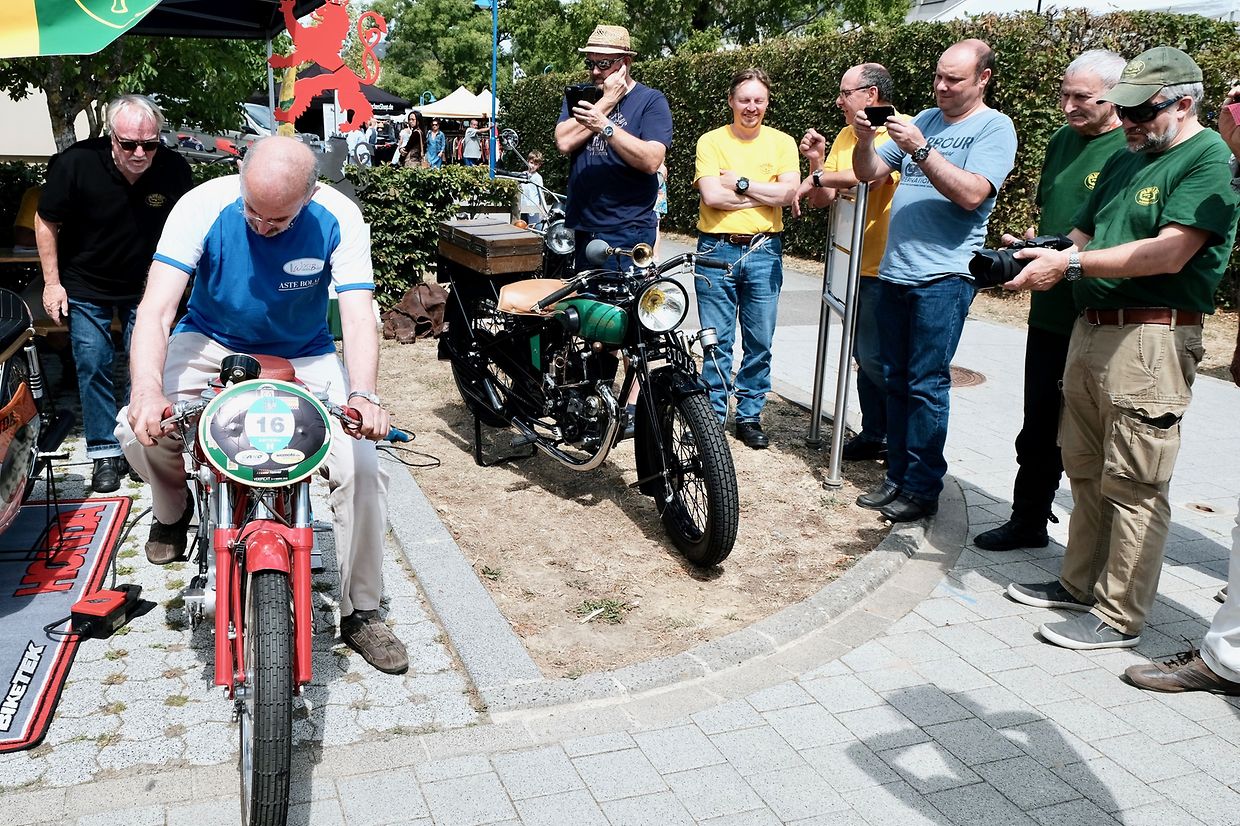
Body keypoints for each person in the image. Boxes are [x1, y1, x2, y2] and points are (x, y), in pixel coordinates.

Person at [116, 136, 408, 674]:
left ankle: (362, 609)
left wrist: (363, 394)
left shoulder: (339, 216)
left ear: (311, 195)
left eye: (279, 219)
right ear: (241, 180)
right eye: (252, 210)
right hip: (210, 340)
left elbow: (358, 314)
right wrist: (147, 391)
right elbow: (156, 310)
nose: (262, 226)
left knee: (363, 467)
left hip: (305, 351)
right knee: (139, 430)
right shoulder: (202, 205)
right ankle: (173, 509)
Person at [1005, 47, 1240, 651]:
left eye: (1141, 110)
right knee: (1085, 468)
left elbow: (1170, 252)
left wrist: (1070, 264)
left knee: (1135, 484)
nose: (1128, 121)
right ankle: (1079, 583)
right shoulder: (1128, 156)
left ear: (1183, 103)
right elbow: (1081, 235)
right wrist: (1037, 254)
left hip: (1152, 337)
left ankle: (1118, 616)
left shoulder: (1207, 158)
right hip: (1091, 328)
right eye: (1124, 108)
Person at [851, 39, 1017, 523]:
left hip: (944, 277)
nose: (942, 87)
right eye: (938, 77)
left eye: (954, 80)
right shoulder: (924, 118)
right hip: (896, 272)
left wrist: (920, 150)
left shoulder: (994, 127)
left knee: (926, 385)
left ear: (983, 79)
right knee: (896, 380)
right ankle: (898, 477)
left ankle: (922, 489)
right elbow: (868, 173)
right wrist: (864, 140)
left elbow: (972, 194)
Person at [973, 50, 1128, 552]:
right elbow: (1063, 219)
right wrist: (1033, 246)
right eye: (1064, 94)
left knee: (1089, 436)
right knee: (1038, 424)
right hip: (1050, 313)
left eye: (1081, 97)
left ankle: (1093, 550)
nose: (1067, 106)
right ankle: (1029, 520)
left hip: (1098, 314)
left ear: (1116, 96)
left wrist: (1066, 258)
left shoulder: (1131, 146)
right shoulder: (1063, 139)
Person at [35, 94, 192, 493]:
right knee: (93, 362)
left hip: (149, 286)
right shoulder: (76, 163)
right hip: (85, 282)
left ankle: (137, 444)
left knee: (146, 366)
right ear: (111, 138)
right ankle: (104, 451)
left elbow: (191, 227)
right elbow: (45, 219)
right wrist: (52, 283)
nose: (140, 153)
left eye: (149, 144)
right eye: (129, 144)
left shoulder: (174, 169)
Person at [792, 63, 901, 462]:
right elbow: (824, 199)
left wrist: (818, 179)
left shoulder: (899, 130)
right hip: (850, 263)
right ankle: (874, 433)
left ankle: (900, 437)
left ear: (871, 95)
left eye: (845, 93)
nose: (839, 101)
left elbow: (868, 177)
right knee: (861, 355)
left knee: (875, 357)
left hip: (884, 266)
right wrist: (817, 162)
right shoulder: (845, 134)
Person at [693, 68, 800, 448]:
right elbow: (711, 196)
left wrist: (739, 184)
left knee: (760, 341)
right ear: (731, 101)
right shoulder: (711, 141)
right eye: (744, 100)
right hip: (715, 249)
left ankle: (750, 415)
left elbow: (789, 195)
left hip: (764, 250)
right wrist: (766, 195)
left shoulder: (782, 143)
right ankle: (713, 416)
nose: (751, 107)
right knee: (716, 342)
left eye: (759, 100)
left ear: (767, 103)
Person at [554, 23, 672, 270]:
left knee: (620, 296)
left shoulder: (650, 100)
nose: (595, 71)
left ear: (625, 63)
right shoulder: (582, 96)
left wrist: (605, 126)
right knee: (586, 295)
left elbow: (652, 160)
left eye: (604, 64)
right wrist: (607, 101)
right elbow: (564, 141)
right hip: (584, 227)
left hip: (629, 228)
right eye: (590, 63)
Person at [519, 150, 548, 229]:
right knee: (522, 227)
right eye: (531, 163)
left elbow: (541, 193)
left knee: (533, 228)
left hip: (533, 207)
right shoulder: (522, 174)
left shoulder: (538, 178)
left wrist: (544, 209)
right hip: (523, 206)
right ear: (527, 161)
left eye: (536, 164)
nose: (533, 166)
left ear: (539, 166)